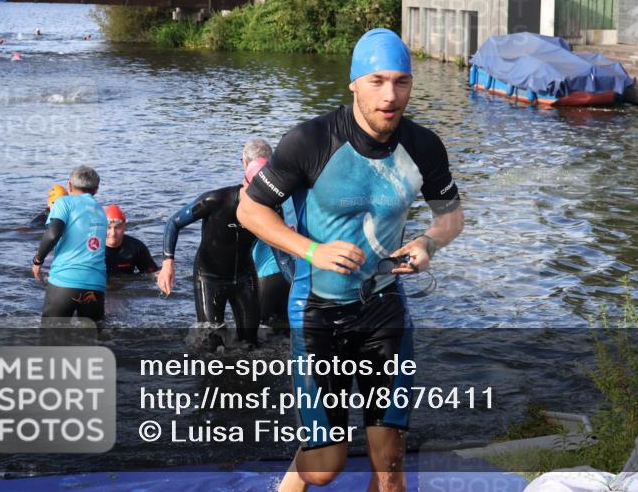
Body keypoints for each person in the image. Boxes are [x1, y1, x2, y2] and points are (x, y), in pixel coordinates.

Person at [237, 28, 464, 491]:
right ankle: (291, 481)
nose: (390, 95)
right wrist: (312, 250)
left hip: (383, 308)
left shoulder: (423, 146)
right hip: (318, 308)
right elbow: (249, 209)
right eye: (377, 81)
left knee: (390, 464)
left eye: (401, 82)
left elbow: (452, 217)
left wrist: (427, 244)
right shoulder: (311, 140)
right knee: (324, 468)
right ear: (354, 83)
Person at [158, 139, 273, 346]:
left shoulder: (271, 207)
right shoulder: (215, 200)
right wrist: (168, 263)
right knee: (211, 344)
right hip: (209, 277)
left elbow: (281, 252)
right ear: (245, 165)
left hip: (245, 277)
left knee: (251, 344)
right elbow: (174, 222)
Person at [32, 166, 107, 323]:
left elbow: (52, 233)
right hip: (96, 283)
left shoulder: (63, 203)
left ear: (70, 185)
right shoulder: (101, 211)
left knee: (52, 338)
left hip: (65, 281)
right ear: (96, 189)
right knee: (93, 341)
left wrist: (38, 260)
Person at [243, 158, 294, 333]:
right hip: (291, 274)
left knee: (255, 333)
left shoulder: (251, 208)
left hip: (266, 276)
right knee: (285, 330)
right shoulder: (288, 199)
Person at [104, 204, 158, 276]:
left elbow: (153, 273)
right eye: (108, 228)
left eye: (117, 227)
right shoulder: (92, 248)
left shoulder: (136, 247)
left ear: (124, 227)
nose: (113, 233)